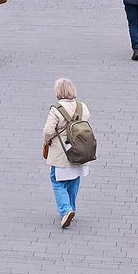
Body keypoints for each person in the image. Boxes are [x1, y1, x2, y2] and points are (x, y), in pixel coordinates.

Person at [42, 78, 90, 229]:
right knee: (74, 180)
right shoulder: (82, 107)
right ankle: (72, 208)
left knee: (57, 181)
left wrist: (46, 140)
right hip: (80, 151)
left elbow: (48, 131)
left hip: (62, 152)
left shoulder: (56, 109)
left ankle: (66, 210)